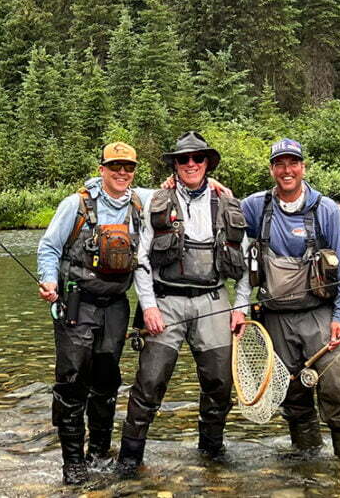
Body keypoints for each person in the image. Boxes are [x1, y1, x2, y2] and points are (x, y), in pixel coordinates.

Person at [116, 131, 250, 478]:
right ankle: (129, 459)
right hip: (166, 303)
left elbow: (247, 261)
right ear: (174, 165)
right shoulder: (156, 202)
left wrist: (242, 306)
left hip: (214, 301)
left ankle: (211, 452)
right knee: (149, 382)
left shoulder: (228, 203)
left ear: (207, 163)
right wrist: (148, 306)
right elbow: (142, 260)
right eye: (183, 159)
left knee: (220, 385)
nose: (191, 164)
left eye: (198, 159)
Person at [240, 137, 340, 466]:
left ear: (302, 167)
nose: (286, 170)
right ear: (271, 169)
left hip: (320, 315)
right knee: (293, 396)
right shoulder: (255, 206)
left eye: (292, 163)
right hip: (275, 318)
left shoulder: (325, 210)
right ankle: (306, 462)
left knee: (336, 389)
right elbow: (217, 208)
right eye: (279, 164)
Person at [36, 142, 151, 485]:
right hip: (76, 302)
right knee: (72, 382)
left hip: (116, 306)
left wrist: (215, 185)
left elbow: (176, 189)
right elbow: (49, 246)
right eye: (114, 166)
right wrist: (47, 281)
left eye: (128, 168)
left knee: (107, 379)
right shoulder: (76, 204)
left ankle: (99, 452)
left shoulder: (140, 202)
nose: (121, 173)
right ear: (102, 168)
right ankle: (72, 462)